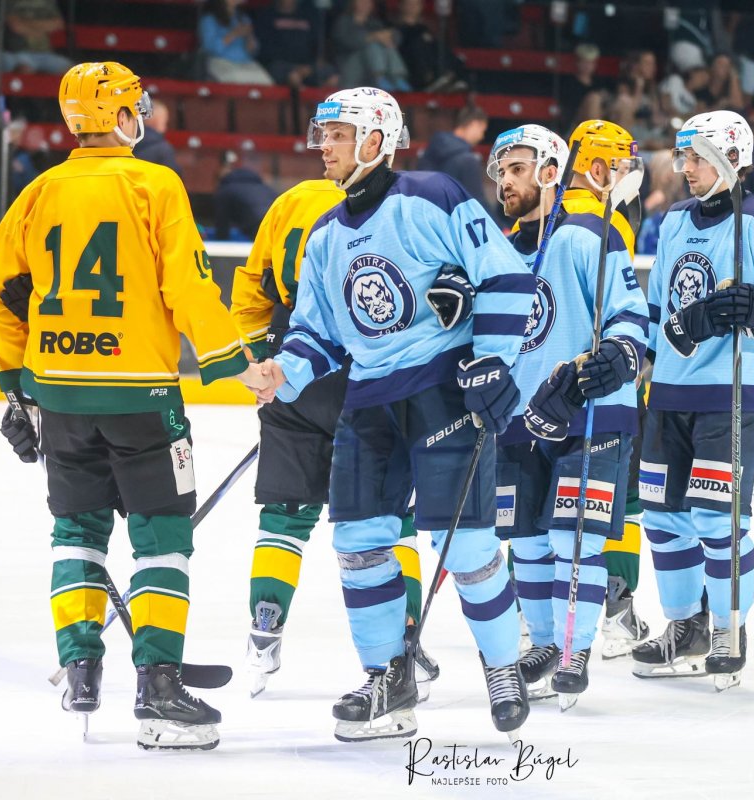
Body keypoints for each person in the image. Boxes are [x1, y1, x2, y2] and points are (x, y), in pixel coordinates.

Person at [0, 61, 262, 750]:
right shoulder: (154, 183)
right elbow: (188, 287)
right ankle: (158, 689)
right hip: (141, 397)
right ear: (123, 115)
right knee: (162, 536)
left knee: (76, 529)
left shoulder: (39, 191)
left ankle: (80, 669)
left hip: (60, 397)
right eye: (139, 105)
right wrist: (237, 363)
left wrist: (19, 387)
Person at [243, 87, 534, 742]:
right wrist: (283, 372)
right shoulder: (324, 234)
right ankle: (387, 680)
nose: (324, 146)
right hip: (369, 398)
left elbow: (505, 275)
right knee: (358, 543)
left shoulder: (432, 196)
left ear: (375, 140)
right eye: (323, 135)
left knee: (466, 544)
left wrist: (493, 361)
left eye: (338, 135)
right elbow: (317, 333)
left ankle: (502, 667)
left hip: (441, 389)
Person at [229, 176, 438, 699]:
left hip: (295, 357)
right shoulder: (401, 201)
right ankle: (405, 635)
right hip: (373, 365)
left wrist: (262, 368)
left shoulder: (292, 201)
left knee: (284, 513)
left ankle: (265, 624)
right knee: (391, 515)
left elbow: (251, 289)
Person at [632, 110, 754, 690]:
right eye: (683, 157)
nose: (686, 168)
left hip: (732, 391)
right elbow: (657, 307)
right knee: (663, 518)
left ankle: (729, 628)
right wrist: (640, 364)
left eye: (697, 158)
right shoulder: (674, 220)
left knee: (717, 518)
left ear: (732, 158)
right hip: (669, 392)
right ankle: (685, 626)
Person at [481, 124, 647, 707]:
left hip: (590, 413)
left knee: (573, 538)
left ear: (551, 172)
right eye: (501, 171)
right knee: (526, 541)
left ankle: (575, 650)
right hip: (520, 417)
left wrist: (617, 355)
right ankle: (547, 643)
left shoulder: (587, 234)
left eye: (517, 169)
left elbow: (629, 316)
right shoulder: (497, 252)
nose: (506, 181)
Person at [559, 120, 652, 658]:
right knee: (622, 498)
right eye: (621, 165)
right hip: (602, 386)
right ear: (596, 168)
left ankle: (531, 613)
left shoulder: (539, 220)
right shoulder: (605, 224)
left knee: (541, 506)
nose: (629, 176)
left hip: (543, 389)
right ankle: (616, 609)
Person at [416, 106, 494, 218]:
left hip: (423, 217)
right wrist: (500, 226)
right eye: (482, 131)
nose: (482, 136)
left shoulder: (430, 149)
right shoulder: (468, 160)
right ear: (474, 124)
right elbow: (477, 203)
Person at [332, 0, 411, 92]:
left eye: (368, 2)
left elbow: (397, 38)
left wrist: (389, 36)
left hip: (371, 68)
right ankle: (380, 77)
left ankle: (397, 77)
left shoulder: (374, 23)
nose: (365, 4)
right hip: (349, 66)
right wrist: (372, 37)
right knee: (371, 45)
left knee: (388, 45)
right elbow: (348, 42)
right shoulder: (344, 22)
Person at [253, 0, 334, 88]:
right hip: (281, 65)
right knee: (294, 77)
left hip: (308, 64)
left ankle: (322, 96)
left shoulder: (308, 15)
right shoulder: (267, 16)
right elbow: (266, 49)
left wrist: (310, 65)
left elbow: (316, 44)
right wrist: (296, 68)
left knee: (332, 77)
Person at [199, 0, 275, 86]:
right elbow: (210, 48)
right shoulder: (210, 19)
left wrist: (249, 36)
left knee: (266, 82)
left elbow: (253, 50)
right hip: (221, 62)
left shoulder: (243, 18)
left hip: (245, 62)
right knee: (239, 78)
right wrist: (234, 34)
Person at [213, 150, 277, 240]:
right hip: (278, 223)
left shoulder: (225, 190)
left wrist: (219, 243)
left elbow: (222, 224)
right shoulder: (264, 187)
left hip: (258, 226)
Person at [2, 0, 73, 75]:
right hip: (19, 53)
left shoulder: (48, 2)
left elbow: (58, 23)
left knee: (73, 71)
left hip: (46, 54)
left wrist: (27, 24)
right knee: (24, 69)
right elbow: (15, 25)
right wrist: (42, 28)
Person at [558, 43, 609, 135]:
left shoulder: (599, 82)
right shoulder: (569, 83)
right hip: (575, 125)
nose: (587, 66)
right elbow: (569, 109)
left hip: (601, 119)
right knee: (594, 98)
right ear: (577, 62)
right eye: (584, 62)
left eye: (590, 62)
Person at [132, 99, 179, 177]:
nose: (165, 128)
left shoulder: (123, 141)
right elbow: (173, 178)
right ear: (155, 121)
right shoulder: (163, 149)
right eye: (165, 123)